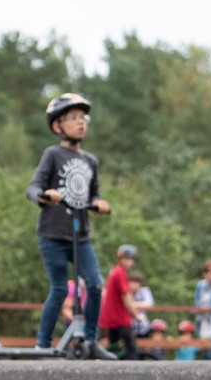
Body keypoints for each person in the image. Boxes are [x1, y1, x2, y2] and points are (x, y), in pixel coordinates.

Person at [25, 93, 116, 360]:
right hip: (52, 234)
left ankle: (90, 341)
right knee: (60, 289)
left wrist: (99, 202)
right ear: (57, 126)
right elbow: (33, 187)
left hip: (81, 235)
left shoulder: (91, 161)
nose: (80, 123)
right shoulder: (53, 154)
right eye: (73, 118)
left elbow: (94, 192)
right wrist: (45, 195)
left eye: (83, 118)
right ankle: (43, 345)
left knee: (95, 285)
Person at [99, 244, 141, 359]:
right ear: (121, 259)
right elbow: (126, 297)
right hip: (120, 319)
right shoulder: (120, 273)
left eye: (131, 260)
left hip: (110, 318)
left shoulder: (113, 272)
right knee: (131, 349)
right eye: (127, 259)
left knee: (114, 350)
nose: (130, 263)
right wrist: (136, 314)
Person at [130, 270, 155, 337]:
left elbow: (149, 303)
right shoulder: (126, 293)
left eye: (136, 283)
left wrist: (131, 304)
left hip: (143, 327)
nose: (133, 285)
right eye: (131, 282)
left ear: (140, 284)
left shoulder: (144, 291)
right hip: (129, 327)